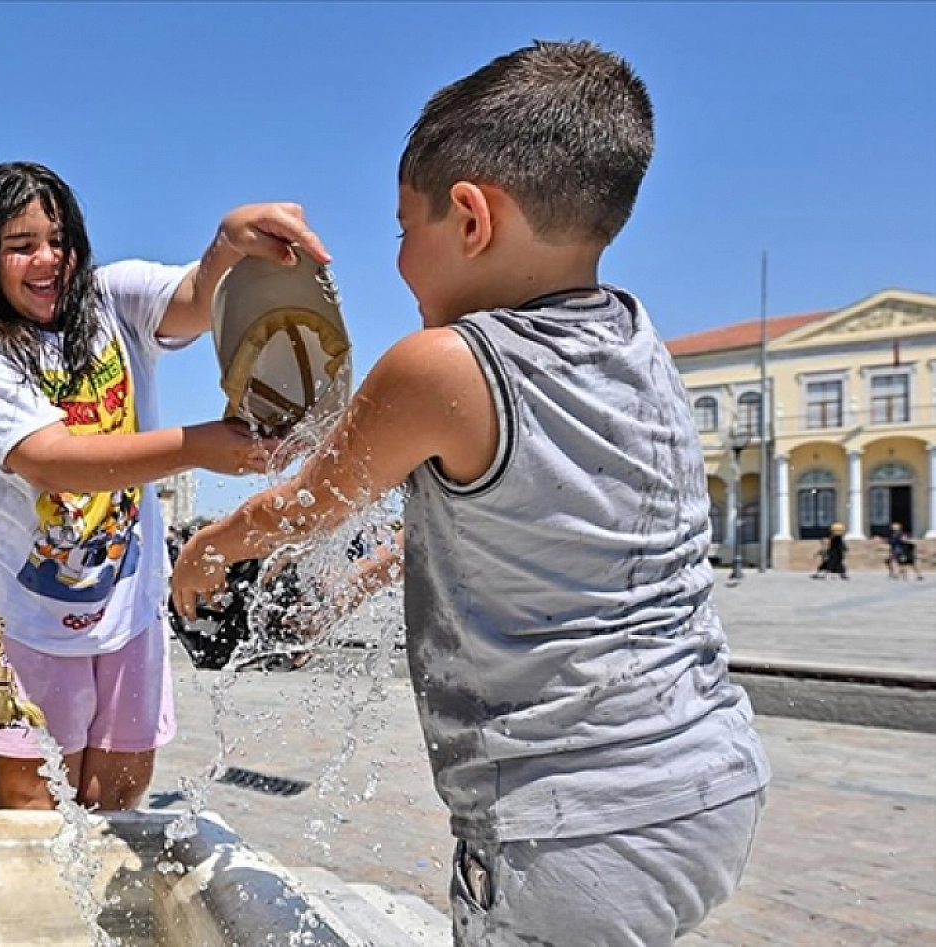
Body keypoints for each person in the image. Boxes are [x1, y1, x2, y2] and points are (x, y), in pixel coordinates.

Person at [171, 41, 769, 947]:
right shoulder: (635, 342)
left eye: (402, 230)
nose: (400, 262)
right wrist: (362, 579)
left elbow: (303, 504)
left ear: (471, 217)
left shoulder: (445, 366)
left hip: (572, 827)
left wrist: (207, 549)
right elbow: (534, 526)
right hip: (709, 778)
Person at [0, 160, 319, 812]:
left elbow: (198, 298)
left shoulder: (112, 300)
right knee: (35, 812)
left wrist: (230, 242)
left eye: (59, 240)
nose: (47, 260)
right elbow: (52, 460)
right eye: (22, 245)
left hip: (127, 608)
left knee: (118, 800)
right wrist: (198, 447)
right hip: (23, 615)